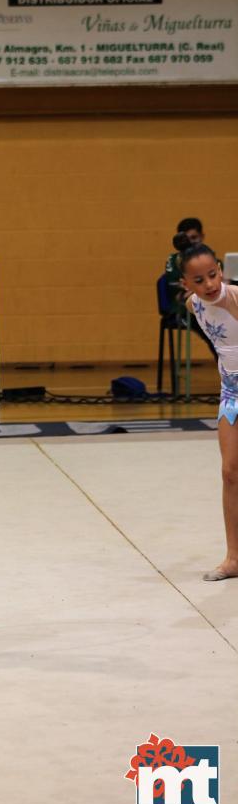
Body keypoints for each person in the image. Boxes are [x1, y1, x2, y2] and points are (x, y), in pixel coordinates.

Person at [181, 244, 238, 581]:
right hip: (230, 394)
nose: (210, 284)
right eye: (199, 280)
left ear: (221, 268)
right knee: (230, 472)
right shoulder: (194, 305)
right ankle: (234, 557)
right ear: (187, 284)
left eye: (213, 274)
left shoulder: (234, 298)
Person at [164, 217, 217, 358]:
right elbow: (175, 288)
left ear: (202, 237)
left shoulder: (208, 256)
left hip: (213, 306)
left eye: (194, 238)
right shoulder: (174, 260)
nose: (189, 243)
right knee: (214, 332)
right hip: (185, 310)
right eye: (185, 239)